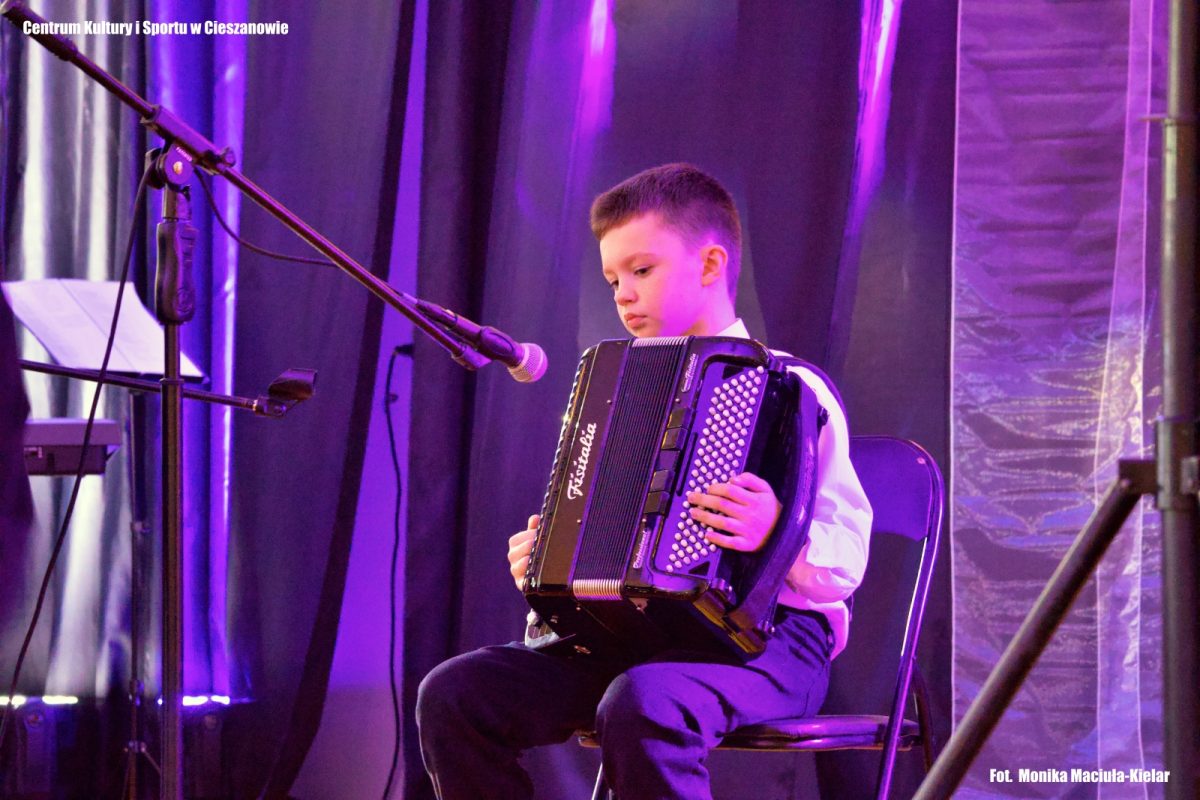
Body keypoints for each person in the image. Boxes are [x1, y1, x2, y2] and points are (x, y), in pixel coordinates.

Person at [416, 163, 872, 800]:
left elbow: (847, 561)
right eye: (613, 280)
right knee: (456, 693)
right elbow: (596, 538)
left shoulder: (793, 389)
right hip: (635, 639)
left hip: (774, 644)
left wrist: (778, 534)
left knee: (644, 702)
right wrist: (549, 567)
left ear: (710, 265)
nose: (623, 295)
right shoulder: (614, 391)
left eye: (641, 270)